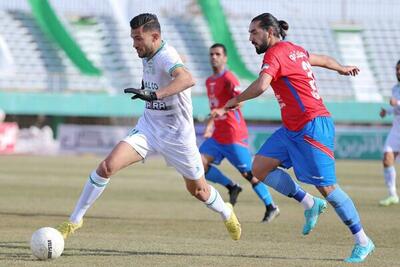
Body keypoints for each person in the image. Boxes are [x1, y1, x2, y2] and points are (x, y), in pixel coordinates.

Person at [57, 13, 241, 241]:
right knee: (106, 166)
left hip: (178, 135)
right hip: (149, 127)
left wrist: (154, 94)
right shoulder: (148, 53)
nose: (134, 44)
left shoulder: (166, 55)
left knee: (199, 191)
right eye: (132, 38)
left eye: (137, 39)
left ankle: (226, 211)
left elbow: (186, 79)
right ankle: (74, 221)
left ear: (154, 36)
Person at [224, 13, 374, 263]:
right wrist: (341, 68)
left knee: (328, 189)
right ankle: (308, 203)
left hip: (313, 126)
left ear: (269, 32)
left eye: (253, 32)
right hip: (292, 128)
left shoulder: (275, 53)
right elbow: (322, 59)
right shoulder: (294, 49)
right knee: (259, 168)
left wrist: (235, 99)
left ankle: (363, 241)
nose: (250, 38)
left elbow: (262, 85)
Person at [200, 43, 280, 222]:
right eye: (211, 54)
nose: (214, 57)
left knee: (250, 174)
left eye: (218, 54)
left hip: (233, 134)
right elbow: (214, 107)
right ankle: (231, 186)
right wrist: (210, 124)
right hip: (217, 135)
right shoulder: (209, 81)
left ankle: (271, 206)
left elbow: (241, 101)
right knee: (198, 164)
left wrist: (223, 110)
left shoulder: (229, 77)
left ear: (224, 58)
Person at [378, 59, 400, 206]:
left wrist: (397, 103)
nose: (398, 72)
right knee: (387, 158)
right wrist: (388, 111)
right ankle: (393, 195)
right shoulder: (395, 88)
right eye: (397, 69)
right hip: (396, 129)